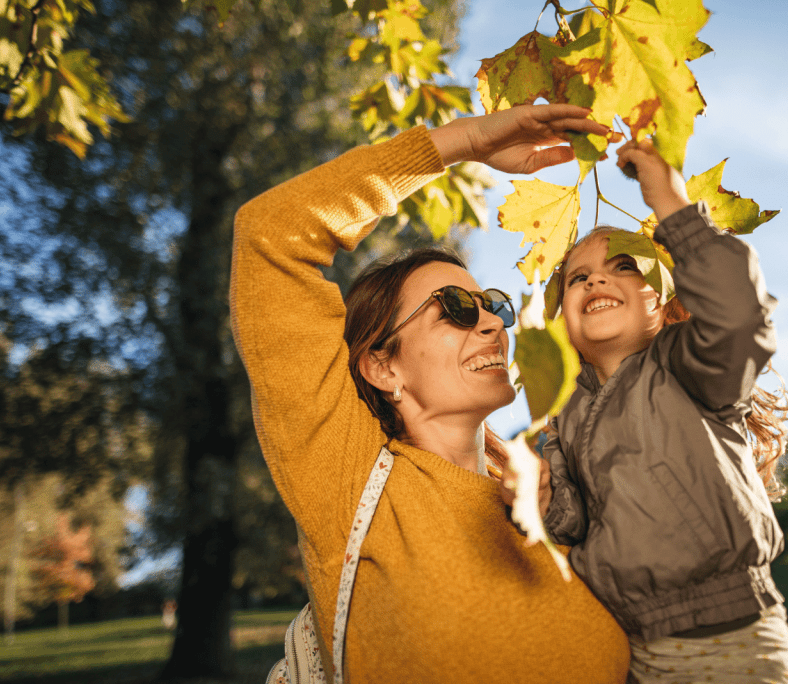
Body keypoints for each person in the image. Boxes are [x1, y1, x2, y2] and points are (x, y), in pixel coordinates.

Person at [229, 104, 633, 682]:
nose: (493, 324)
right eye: (456, 310)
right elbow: (271, 235)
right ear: (381, 367)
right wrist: (462, 142)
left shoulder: (552, 491)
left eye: (492, 305)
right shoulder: (348, 476)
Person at [522, 137, 788, 682]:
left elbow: (738, 317)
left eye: (623, 265)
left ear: (661, 300)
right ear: (562, 317)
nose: (595, 279)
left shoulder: (690, 368)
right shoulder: (563, 418)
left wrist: (672, 207)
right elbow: (574, 523)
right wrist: (545, 505)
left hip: (733, 637)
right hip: (630, 648)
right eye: (577, 277)